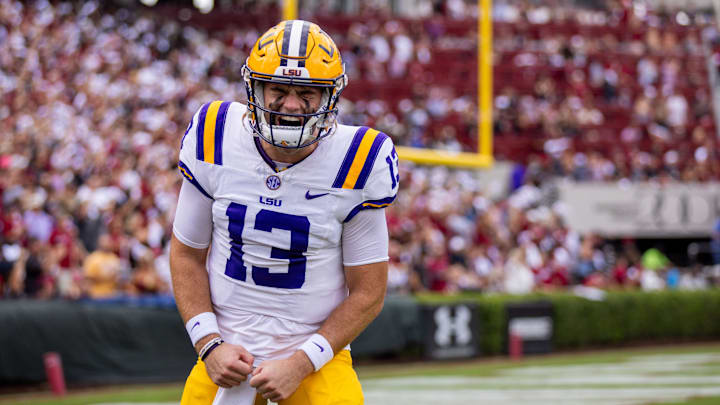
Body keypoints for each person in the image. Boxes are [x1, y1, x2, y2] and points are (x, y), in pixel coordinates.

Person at [170, 20, 399, 405]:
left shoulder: (359, 160)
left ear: (330, 96)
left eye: (307, 92)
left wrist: (301, 362)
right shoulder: (216, 135)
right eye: (278, 89)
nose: (291, 105)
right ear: (253, 88)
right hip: (226, 353)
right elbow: (186, 254)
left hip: (314, 357)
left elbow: (369, 293)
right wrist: (209, 344)